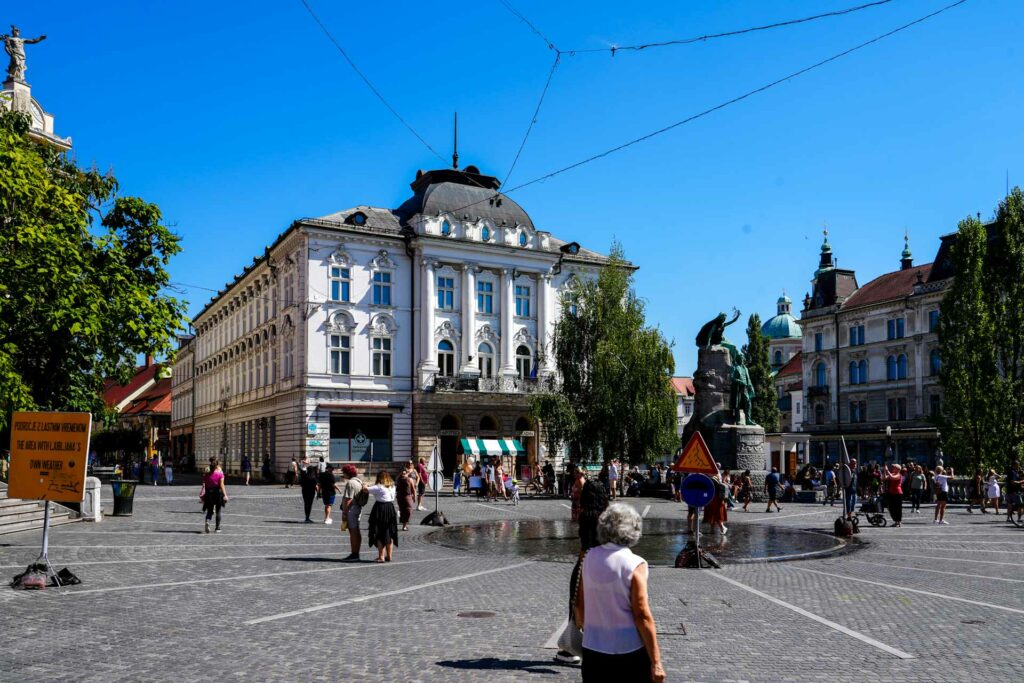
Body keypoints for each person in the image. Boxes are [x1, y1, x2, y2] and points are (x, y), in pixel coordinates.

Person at [574, 503, 665, 683]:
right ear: (634, 530)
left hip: (593, 649)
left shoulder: (589, 557)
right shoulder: (635, 564)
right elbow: (642, 615)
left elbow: (579, 607)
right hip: (628, 650)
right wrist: (656, 662)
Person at [555, 479, 610, 665]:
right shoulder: (608, 515)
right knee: (600, 607)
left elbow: (585, 543)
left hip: (586, 561)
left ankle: (572, 649)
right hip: (606, 564)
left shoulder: (587, 516)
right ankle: (601, 647)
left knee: (576, 604)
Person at [367, 471, 398, 563]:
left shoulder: (378, 487)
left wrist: (366, 484)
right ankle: (389, 556)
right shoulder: (392, 486)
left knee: (380, 533)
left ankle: (381, 556)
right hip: (390, 508)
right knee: (389, 533)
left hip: (380, 508)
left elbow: (365, 489)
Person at [340, 464, 366, 561]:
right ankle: (356, 552)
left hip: (351, 509)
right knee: (356, 530)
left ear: (348, 473)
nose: (343, 474)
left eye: (344, 472)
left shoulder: (351, 483)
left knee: (353, 531)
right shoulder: (358, 481)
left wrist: (344, 513)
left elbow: (348, 499)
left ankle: (354, 554)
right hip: (357, 508)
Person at [200, 458, 228, 534]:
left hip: (209, 493)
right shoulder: (220, 474)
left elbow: (204, 484)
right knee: (218, 511)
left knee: (209, 510)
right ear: (217, 465)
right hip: (217, 493)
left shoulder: (206, 475)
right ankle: (217, 528)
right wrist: (225, 495)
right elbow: (222, 485)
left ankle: (208, 521)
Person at [396, 461, 416, 531]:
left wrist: (414, 497)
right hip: (400, 496)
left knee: (409, 510)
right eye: (403, 473)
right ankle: (404, 525)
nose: (404, 474)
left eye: (405, 473)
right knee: (402, 510)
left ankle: (405, 522)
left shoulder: (410, 479)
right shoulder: (399, 479)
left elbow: (413, 489)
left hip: (408, 496)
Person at [882, 463, 903, 528]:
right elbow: (884, 478)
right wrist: (885, 471)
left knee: (897, 508)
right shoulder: (892, 474)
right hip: (891, 493)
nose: (892, 468)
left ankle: (898, 521)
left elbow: (892, 478)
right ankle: (895, 521)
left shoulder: (899, 475)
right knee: (891, 507)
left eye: (894, 467)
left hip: (897, 493)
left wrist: (887, 470)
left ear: (898, 469)